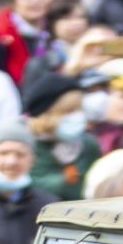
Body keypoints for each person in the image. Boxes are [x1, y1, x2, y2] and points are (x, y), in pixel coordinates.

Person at [22, 72, 101, 200]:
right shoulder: (29, 146)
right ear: (47, 115)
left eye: (80, 109)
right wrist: (67, 180)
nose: (77, 116)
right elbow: (36, 185)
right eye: (69, 111)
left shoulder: (88, 145)